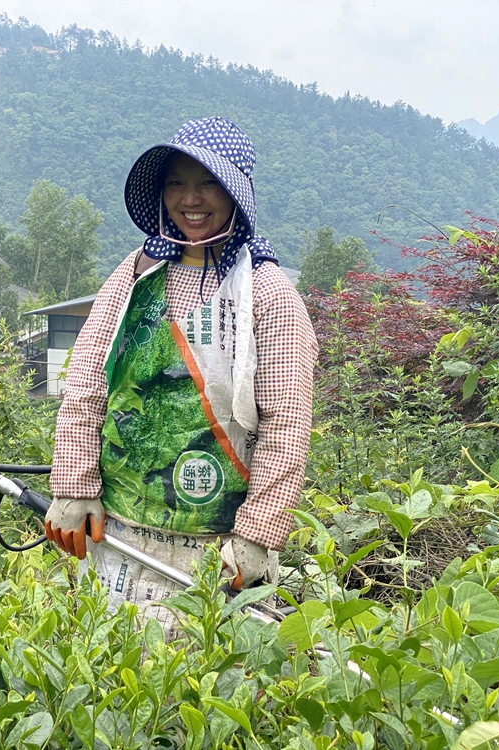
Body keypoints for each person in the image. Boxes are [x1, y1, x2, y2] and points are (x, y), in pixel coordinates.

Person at [44, 117, 317, 632]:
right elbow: (88, 381)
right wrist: (74, 485)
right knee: (111, 678)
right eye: (176, 182)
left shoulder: (267, 292)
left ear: (237, 191)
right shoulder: (138, 273)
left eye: (208, 182)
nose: (191, 199)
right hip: (118, 531)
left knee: (207, 692)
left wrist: (257, 535)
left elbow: (286, 423)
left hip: (219, 545)